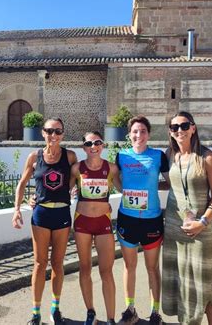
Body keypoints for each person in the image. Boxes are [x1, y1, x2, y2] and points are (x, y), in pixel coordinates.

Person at [12, 117, 77, 325]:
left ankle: (55, 308)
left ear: (63, 134)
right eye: (50, 131)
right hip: (41, 215)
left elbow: (80, 178)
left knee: (57, 264)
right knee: (40, 264)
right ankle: (36, 313)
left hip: (62, 215)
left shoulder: (70, 156)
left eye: (58, 131)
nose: (54, 135)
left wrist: (76, 189)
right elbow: (22, 184)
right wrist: (17, 209)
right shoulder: (34, 157)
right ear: (43, 133)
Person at [162, 111, 212, 325]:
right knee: (182, 283)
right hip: (174, 229)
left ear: (193, 128)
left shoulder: (207, 157)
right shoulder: (169, 155)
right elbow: (172, 186)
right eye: (174, 127)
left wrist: (202, 222)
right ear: (170, 131)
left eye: (184, 126)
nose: (180, 130)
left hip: (200, 231)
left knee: (204, 285)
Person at [115, 115, 170, 325]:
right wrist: (124, 191)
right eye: (135, 132)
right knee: (129, 266)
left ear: (149, 134)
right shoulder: (121, 156)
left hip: (151, 221)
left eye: (143, 131)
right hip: (127, 219)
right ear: (129, 135)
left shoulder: (157, 156)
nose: (139, 135)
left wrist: (151, 190)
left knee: (152, 268)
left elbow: (169, 181)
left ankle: (155, 313)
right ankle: (130, 309)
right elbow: (114, 177)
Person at [69, 131, 122, 325]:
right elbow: (62, 190)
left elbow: (125, 189)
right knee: (85, 269)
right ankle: (90, 312)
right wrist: (35, 199)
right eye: (89, 143)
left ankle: (110, 318)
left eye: (97, 142)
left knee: (106, 272)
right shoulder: (76, 168)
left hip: (103, 223)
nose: (93, 146)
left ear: (103, 145)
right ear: (84, 148)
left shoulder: (112, 169)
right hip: (82, 222)